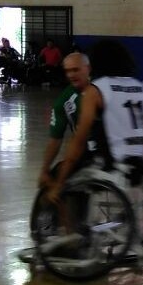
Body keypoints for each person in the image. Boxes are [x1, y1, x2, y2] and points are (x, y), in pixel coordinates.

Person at [49, 39, 143, 204]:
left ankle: (71, 227)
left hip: (109, 162)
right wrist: (142, 154)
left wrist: (59, 182)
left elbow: (80, 138)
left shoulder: (97, 88)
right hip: (137, 163)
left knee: (61, 178)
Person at [38, 52, 92, 189]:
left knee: (55, 188)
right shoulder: (64, 100)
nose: (71, 75)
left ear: (88, 68)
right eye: (67, 71)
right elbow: (55, 139)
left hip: (91, 154)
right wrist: (44, 169)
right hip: (84, 153)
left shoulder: (99, 91)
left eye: (75, 70)